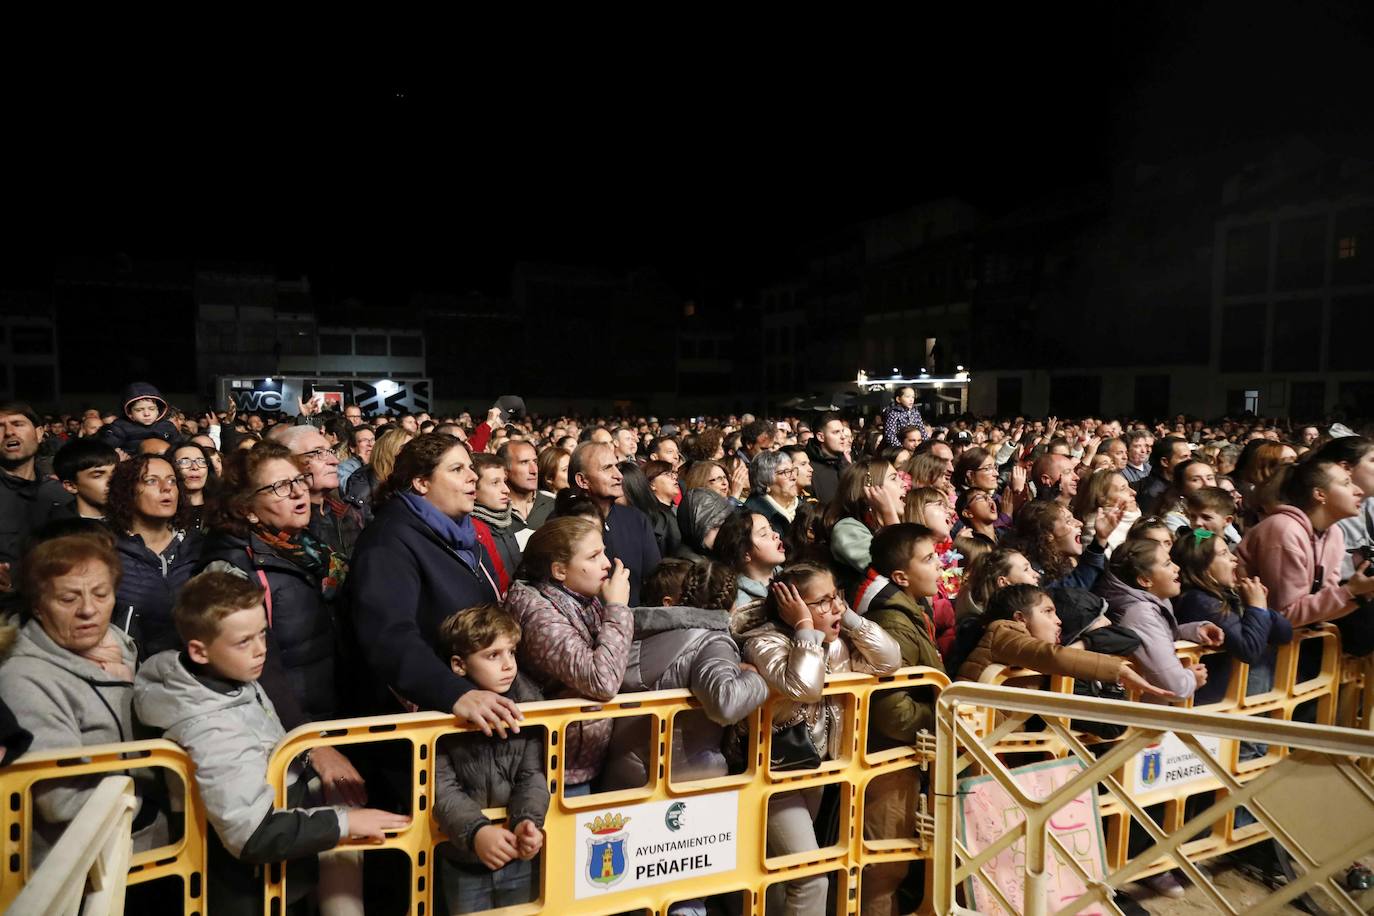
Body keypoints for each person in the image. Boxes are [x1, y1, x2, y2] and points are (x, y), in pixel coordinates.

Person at [134, 572, 405, 916]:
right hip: (246, 888)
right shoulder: (209, 727)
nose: (261, 650)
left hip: (279, 872)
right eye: (243, 641)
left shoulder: (230, 678)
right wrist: (346, 822)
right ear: (199, 652)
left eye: (263, 634)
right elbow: (250, 833)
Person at [734, 563, 900, 916]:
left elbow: (889, 660)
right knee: (810, 879)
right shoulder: (764, 642)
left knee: (781, 879)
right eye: (822, 601)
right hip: (772, 775)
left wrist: (849, 617)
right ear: (790, 606)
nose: (835, 606)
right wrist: (805, 628)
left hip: (816, 769)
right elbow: (803, 687)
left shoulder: (836, 644)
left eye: (836, 595)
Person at [0, 534, 166, 863]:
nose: (88, 610)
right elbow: (61, 799)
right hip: (84, 866)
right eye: (67, 599)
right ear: (37, 605)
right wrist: (159, 798)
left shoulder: (119, 645)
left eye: (101, 594)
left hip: (140, 848)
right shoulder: (23, 678)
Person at [348, 434, 523, 735]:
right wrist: (454, 692)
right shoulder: (388, 542)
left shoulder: (462, 534)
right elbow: (389, 636)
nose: (472, 476)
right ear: (421, 483)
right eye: (457, 470)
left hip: (475, 709)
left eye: (471, 467)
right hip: (428, 720)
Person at [602, 558, 768, 790]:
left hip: (623, 772)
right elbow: (725, 703)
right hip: (680, 781)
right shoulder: (713, 641)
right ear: (732, 605)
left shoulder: (638, 630)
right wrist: (758, 678)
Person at [502, 517, 633, 795]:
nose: (607, 563)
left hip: (587, 757)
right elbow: (602, 680)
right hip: (556, 771)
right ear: (560, 570)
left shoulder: (581, 596)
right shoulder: (539, 616)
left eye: (603, 552)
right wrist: (619, 607)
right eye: (594, 556)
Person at [432, 605, 549, 914]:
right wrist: (476, 832)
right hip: (461, 859)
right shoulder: (438, 715)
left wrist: (528, 821)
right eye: (493, 655)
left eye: (511, 652)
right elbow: (440, 787)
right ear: (459, 665)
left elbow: (533, 775)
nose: (508, 665)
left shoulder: (529, 704)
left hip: (517, 853)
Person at [859, 524, 944, 916]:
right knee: (885, 869)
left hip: (903, 758)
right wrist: (943, 713)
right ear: (900, 576)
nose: (940, 565)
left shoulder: (911, 609)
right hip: (888, 759)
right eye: (928, 559)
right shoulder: (893, 620)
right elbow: (893, 713)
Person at [1238, 457, 1374, 631]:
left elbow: (1319, 610)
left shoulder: (1333, 533)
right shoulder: (1284, 529)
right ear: (1320, 494)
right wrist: (1349, 591)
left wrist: (1360, 595)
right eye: (1346, 483)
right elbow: (1283, 616)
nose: (1358, 491)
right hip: (1242, 639)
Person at [1094, 540, 1225, 704]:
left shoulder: (1148, 602)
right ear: (1145, 580)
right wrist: (1191, 678)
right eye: (1167, 564)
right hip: (1139, 719)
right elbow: (1174, 687)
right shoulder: (1140, 613)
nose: (1176, 568)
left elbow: (1157, 635)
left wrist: (1194, 630)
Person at [1172, 529, 1292, 706]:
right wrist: (1257, 608)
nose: (1234, 558)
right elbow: (1249, 649)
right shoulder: (1198, 601)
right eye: (1223, 553)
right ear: (1204, 567)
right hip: (1207, 708)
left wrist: (1260, 606)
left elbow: (1284, 633)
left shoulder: (1225, 596)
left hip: (1225, 702)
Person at [106, 454, 204, 659]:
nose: (166, 487)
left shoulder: (200, 547)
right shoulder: (107, 551)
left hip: (192, 676)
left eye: (172, 481)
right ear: (127, 491)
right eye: (151, 481)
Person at [568, 441, 661, 605]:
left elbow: (654, 582)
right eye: (606, 468)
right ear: (582, 481)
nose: (618, 475)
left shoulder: (637, 519)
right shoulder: (562, 524)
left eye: (616, 466)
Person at [1, 402, 73, 609]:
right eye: (0, 426)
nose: (9, 432)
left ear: (40, 433)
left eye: (17, 424)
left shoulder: (60, 495)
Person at [279, 425, 366, 559]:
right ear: (287, 464)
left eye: (330, 452)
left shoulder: (345, 510)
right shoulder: (290, 526)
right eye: (318, 453)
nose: (334, 461)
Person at [823, 458, 905, 578]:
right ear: (869, 489)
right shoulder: (846, 529)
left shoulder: (882, 525)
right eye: (893, 478)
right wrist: (888, 513)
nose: (904, 483)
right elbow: (899, 566)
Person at [1012, 501, 1119, 592]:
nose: (1080, 523)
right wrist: (1098, 543)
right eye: (1068, 521)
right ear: (1047, 534)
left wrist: (1101, 539)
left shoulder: (1070, 562)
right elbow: (1069, 593)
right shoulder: (1035, 574)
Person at [470, 454, 525, 594]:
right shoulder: (470, 532)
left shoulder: (513, 520)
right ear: (473, 489)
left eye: (504, 481)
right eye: (495, 483)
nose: (506, 489)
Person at [714, 509, 787, 607]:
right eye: (764, 534)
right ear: (744, 554)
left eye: (771, 528)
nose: (776, 535)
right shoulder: (741, 604)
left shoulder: (791, 577)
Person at [343, 426, 413, 519]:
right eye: (407, 448)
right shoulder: (363, 485)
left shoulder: (410, 479)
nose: (415, 452)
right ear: (390, 452)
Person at [620, 460, 682, 558]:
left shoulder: (677, 510)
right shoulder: (652, 517)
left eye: (673, 474)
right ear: (651, 484)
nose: (674, 477)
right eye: (667, 474)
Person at [1071, 468, 1140, 555]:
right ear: (1102, 498)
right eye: (1123, 489)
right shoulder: (1095, 532)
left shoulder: (1136, 516)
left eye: (1128, 486)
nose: (1133, 492)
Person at [98, 382, 180, 454]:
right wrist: (117, 458)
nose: (147, 414)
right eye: (139, 410)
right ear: (130, 413)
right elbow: (106, 450)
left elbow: (179, 448)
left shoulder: (168, 426)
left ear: (159, 410)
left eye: (152, 409)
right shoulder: (119, 427)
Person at [53, 437, 118, 521]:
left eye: (116, 472)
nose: (112, 480)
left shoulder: (131, 521)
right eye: (98, 476)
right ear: (71, 486)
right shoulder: (60, 530)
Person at [499, 440, 555, 531]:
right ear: (505, 470)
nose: (534, 471)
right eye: (524, 462)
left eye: (535, 462)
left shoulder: (554, 505)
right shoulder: (493, 512)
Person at [744, 450, 800, 536]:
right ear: (765, 482)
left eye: (793, 470)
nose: (794, 477)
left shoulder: (804, 508)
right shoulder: (751, 516)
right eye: (785, 472)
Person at [1136, 436, 1192, 515]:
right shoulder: (1153, 493)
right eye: (1184, 457)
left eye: (1190, 456)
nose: (1190, 461)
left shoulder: (1180, 484)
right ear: (1165, 462)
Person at [675, 487, 734, 561]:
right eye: (716, 526)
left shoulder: (715, 555)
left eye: (725, 524)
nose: (724, 532)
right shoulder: (685, 569)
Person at [804, 413, 851, 505]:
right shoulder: (809, 469)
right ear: (821, 437)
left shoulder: (847, 464)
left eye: (842, 431)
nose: (843, 437)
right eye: (836, 432)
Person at [171, 441, 218, 531]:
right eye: (184, 461)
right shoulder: (165, 511)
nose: (195, 467)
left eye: (201, 461)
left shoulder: (221, 510)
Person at [335, 424, 375, 492]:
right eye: (364, 440)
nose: (370, 444)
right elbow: (350, 492)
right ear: (352, 448)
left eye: (372, 440)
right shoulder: (344, 468)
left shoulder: (381, 463)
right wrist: (367, 467)